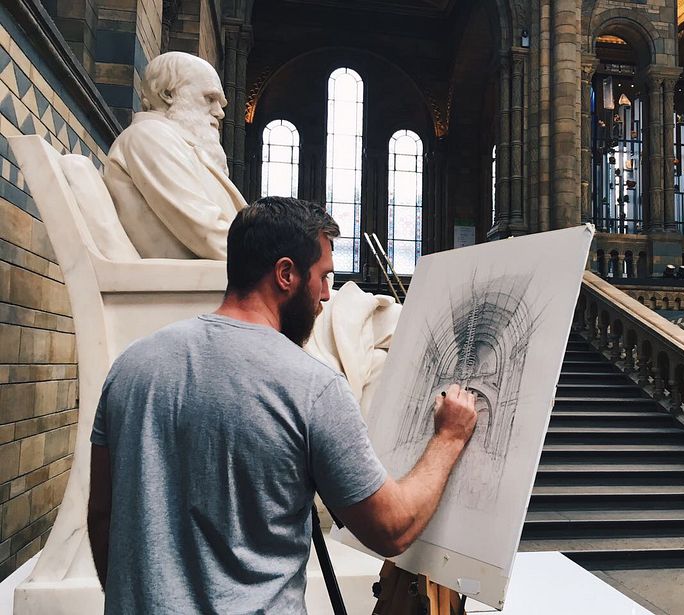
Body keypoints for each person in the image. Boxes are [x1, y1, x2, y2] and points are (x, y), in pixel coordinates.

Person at [86, 196, 478, 614]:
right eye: (323, 277)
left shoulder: (130, 366)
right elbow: (392, 529)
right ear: (286, 274)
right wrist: (449, 437)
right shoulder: (312, 388)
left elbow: (102, 517)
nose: (328, 294)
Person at [103, 52, 246, 259]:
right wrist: (272, 259)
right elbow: (204, 229)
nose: (219, 112)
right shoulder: (149, 136)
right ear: (168, 94)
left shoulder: (176, 143)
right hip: (200, 282)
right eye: (210, 98)